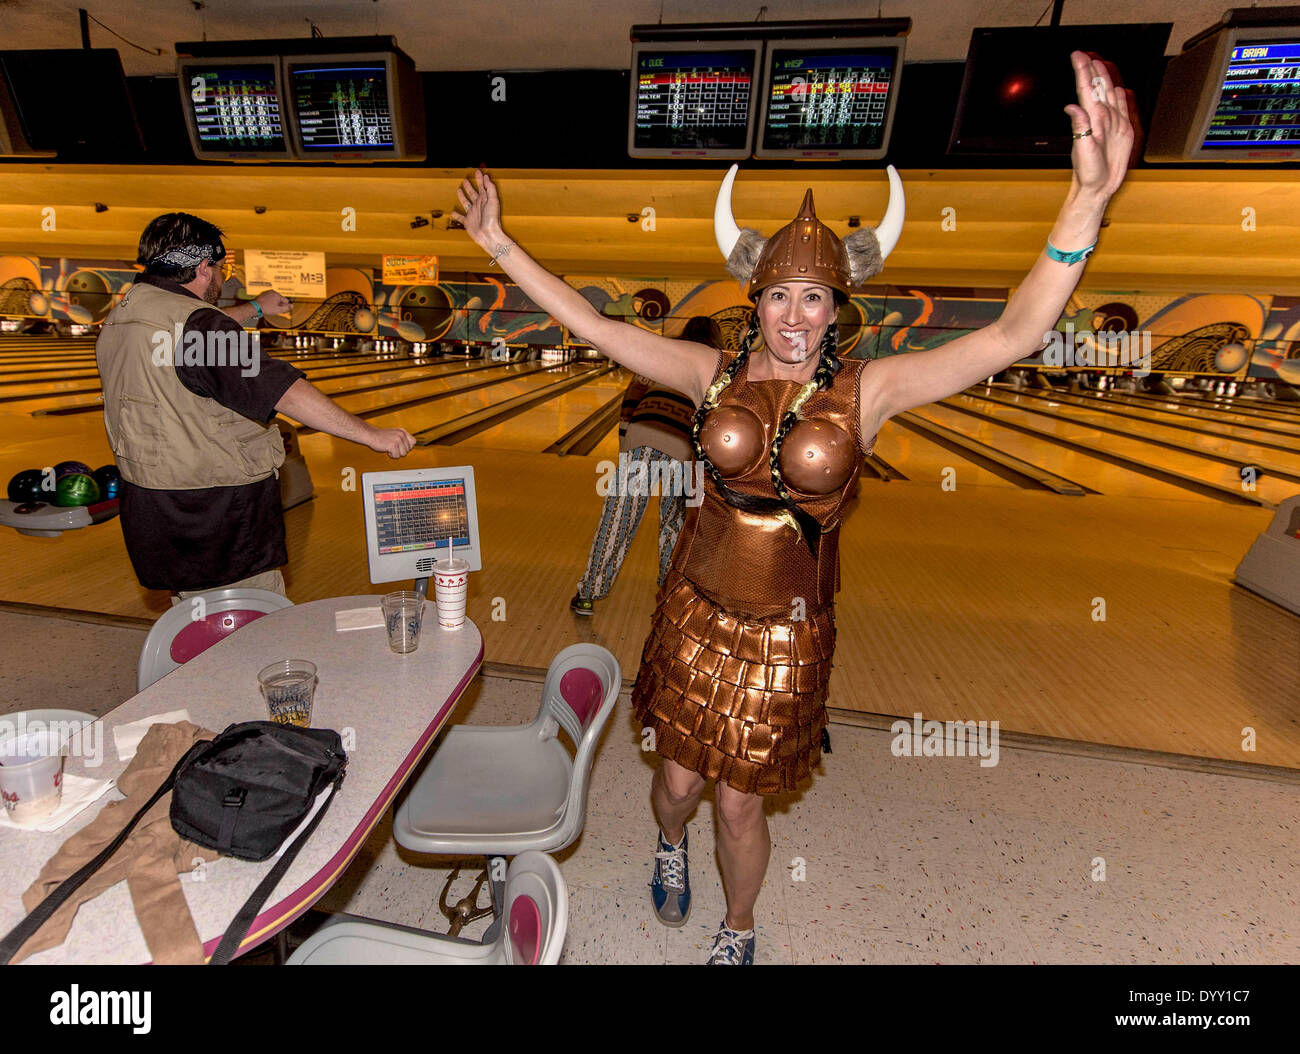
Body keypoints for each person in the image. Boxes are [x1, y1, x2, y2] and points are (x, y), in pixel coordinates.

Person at [453, 51, 1133, 964]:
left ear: (835, 307)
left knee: (741, 802)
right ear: (756, 300)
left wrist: (1085, 202)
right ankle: (665, 845)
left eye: (814, 297)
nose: (795, 314)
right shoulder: (709, 374)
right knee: (680, 791)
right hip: (695, 616)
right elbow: (600, 328)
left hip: (788, 632)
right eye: (779, 295)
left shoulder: (872, 390)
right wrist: (501, 247)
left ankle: (738, 929)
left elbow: (1017, 332)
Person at [96, 212, 415, 601]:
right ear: (201, 267)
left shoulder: (127, 312)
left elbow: (189, 340)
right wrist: (371, 434)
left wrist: (254, 308)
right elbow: (281, 390)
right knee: (249, 618)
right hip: (215, 507)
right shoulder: (200, 327)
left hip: (153, 502)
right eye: (221, 267)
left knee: (195, 607)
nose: (224, 277)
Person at [570, 315, 721, 615]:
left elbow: (631, 400)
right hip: (682, 446)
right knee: (674, 525)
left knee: (618, 518)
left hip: (643, 433)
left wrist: (626, 446)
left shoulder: (660, 355)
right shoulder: (713, 369)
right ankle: (670, 594)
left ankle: (589, 592)